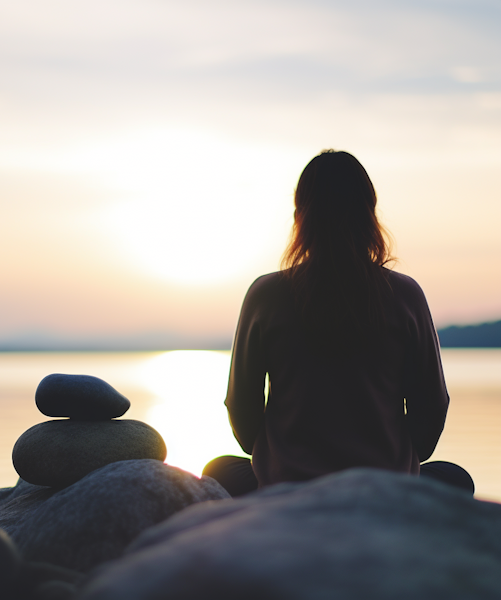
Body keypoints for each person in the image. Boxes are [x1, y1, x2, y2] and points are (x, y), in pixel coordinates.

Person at [203, 150, 474, 496]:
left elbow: (242, 410)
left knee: (217, 471)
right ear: (369, 216)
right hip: (384, 488)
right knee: (455, 479)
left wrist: (280, 458)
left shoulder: (266, 294)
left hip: (288, 488)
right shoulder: (405, 295)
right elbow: (432, 406)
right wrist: (401, 460)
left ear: (301, 218)